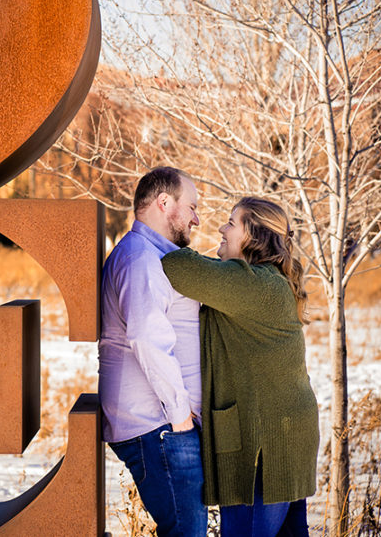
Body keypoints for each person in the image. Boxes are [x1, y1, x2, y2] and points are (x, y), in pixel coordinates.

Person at [161, 197, 318, 537]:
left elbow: (178, 267)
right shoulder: (266, 281)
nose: (221, 227)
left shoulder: (253, 284)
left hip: (265, 444)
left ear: (255, 236)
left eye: (232, 223)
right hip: (285, 436)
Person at [99, 166, 206, 537]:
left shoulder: (150, 255)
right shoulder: (140, 259)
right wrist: (180, 419)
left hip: (163, 426)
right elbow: (147, 339)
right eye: (191, 206)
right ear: (164, 203)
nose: (197, 217)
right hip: (158, 427)